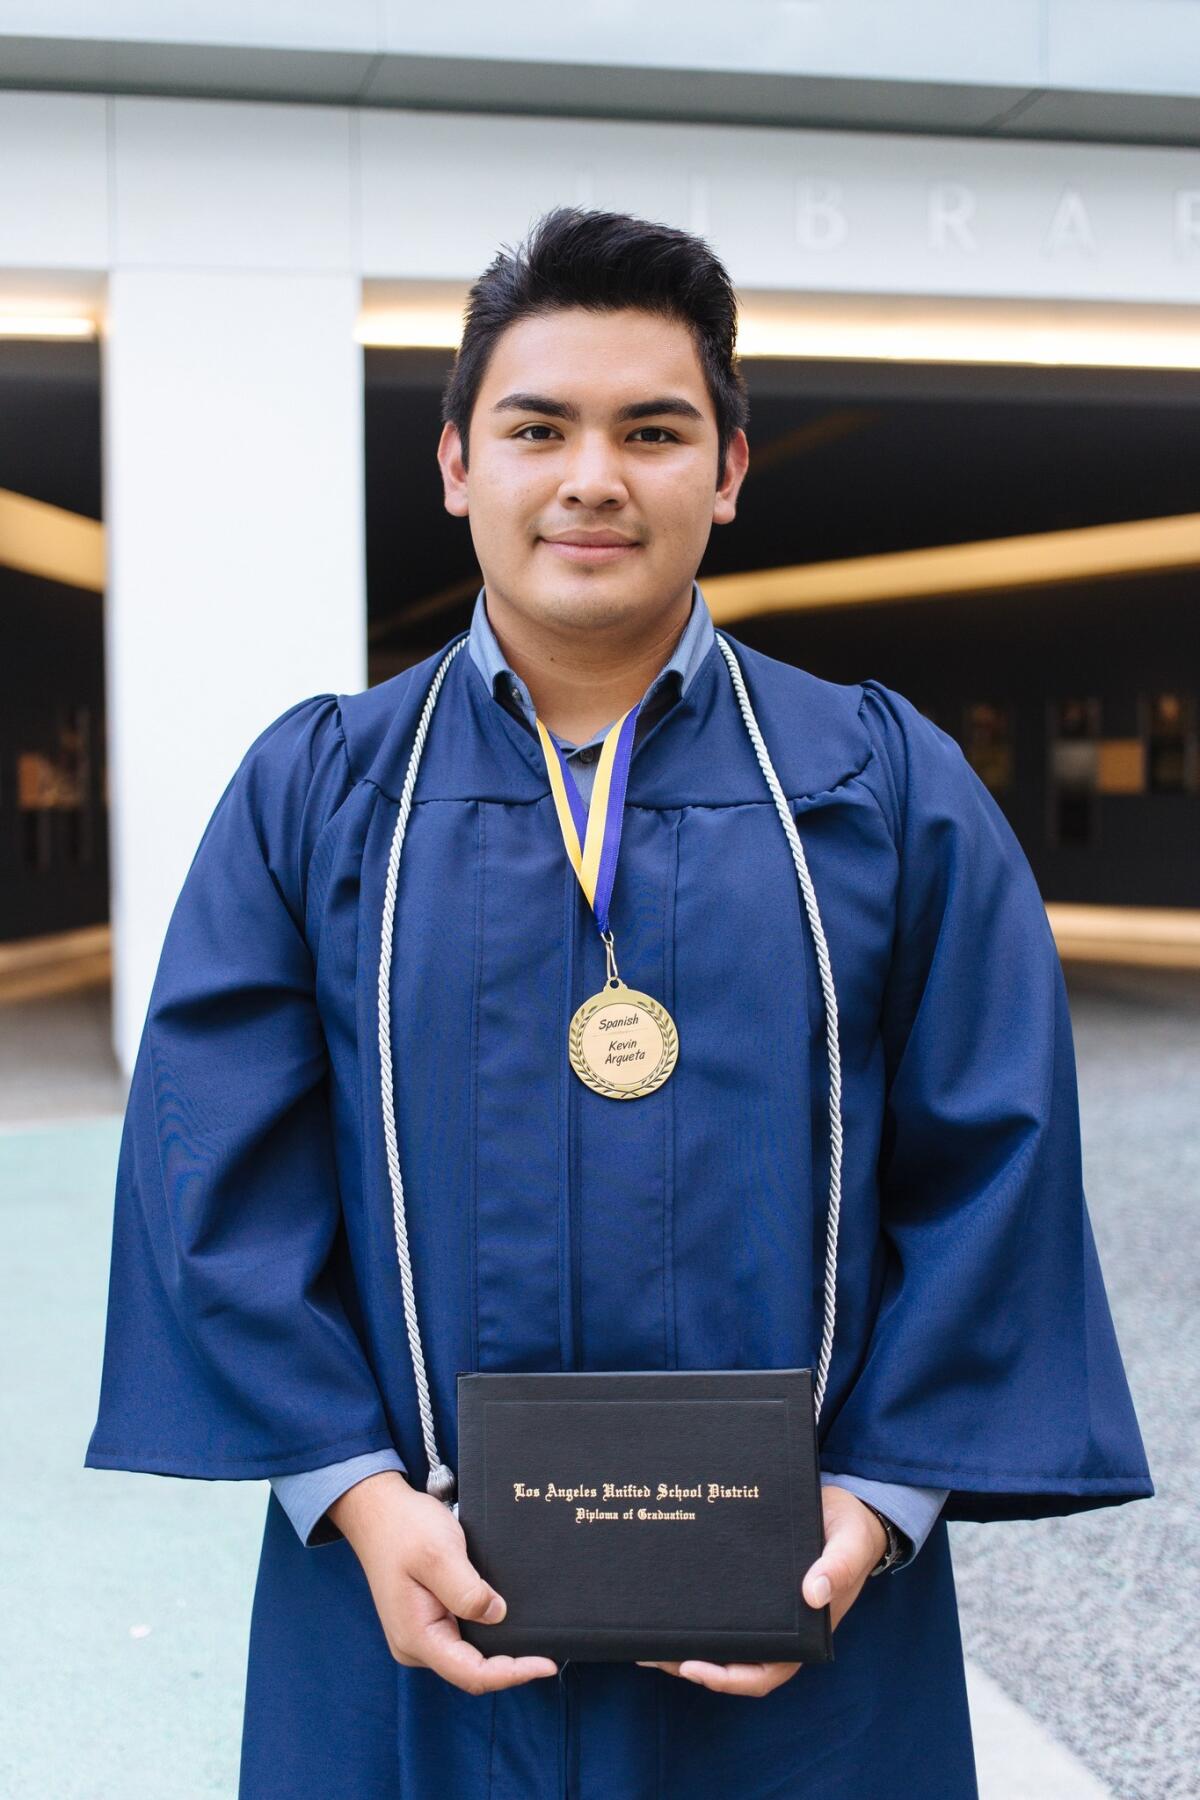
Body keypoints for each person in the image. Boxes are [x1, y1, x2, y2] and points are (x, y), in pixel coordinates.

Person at [85, 207, 1153, 1799]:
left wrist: (871, 1515)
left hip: (803, 1639)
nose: (593, 476)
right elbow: (214, 1170)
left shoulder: (881, 786)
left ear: (726, 472)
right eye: (539, 427)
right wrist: (364, 1506)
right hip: (412, 1611)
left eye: (654, 430)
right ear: (457, 463)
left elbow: (992, 1164)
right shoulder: (318, 795)